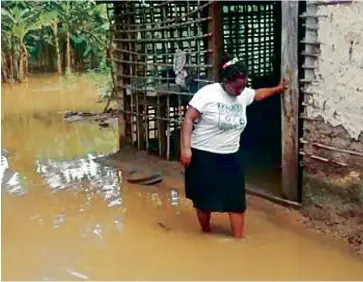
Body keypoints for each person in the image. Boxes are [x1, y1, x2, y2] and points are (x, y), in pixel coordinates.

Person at [180, 53, 287, 239]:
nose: (240, 90)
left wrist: (278, 89)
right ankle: (205, 233)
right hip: (202, 156)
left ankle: (239, 240)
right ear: (225, 81)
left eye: (243, 86)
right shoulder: (207, 94)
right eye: (237, 86)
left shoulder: (243, 94)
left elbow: (258, 95)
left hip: (230, 156)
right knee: (203, 201)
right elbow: (188, 119)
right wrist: (185, 148)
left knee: (236, 202)